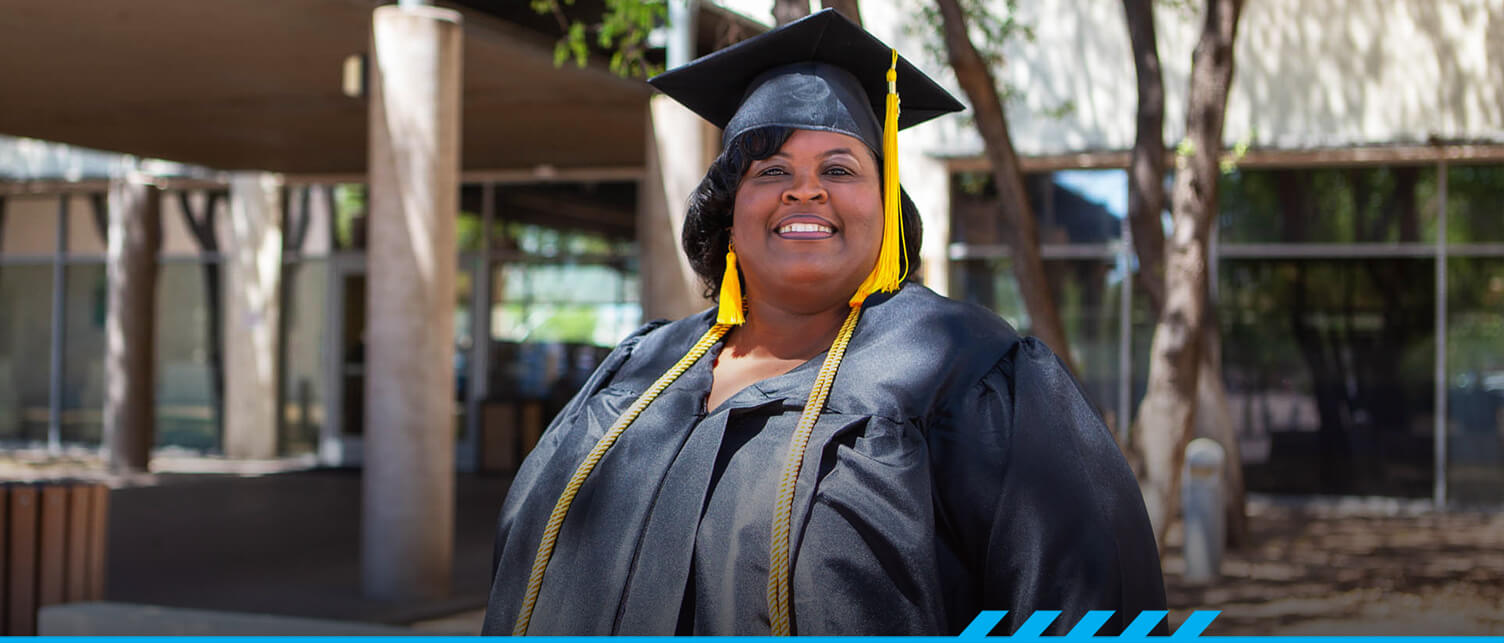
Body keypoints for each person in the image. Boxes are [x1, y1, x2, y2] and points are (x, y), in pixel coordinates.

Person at [482, 9, 1166, 636]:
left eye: (839, 167)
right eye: (770, 168)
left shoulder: (967, 374)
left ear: (886, 205)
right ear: (727, 211)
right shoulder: (641, 369)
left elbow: (1086, 605)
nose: (804, 188)